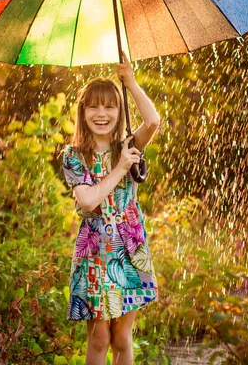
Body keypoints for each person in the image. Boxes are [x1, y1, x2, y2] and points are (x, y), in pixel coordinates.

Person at [61, 51, 160, 365]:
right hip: (95, 249)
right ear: (83, 111)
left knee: (120, 337)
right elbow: (88, 200)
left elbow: (153, 121)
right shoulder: (74, 155)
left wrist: (130, 83)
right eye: (93, 106)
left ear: (119, 111)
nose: (101, 113)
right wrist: (119, 169)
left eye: (109, 106)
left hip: (129, 245)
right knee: (100, 337)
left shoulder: (129, 146)